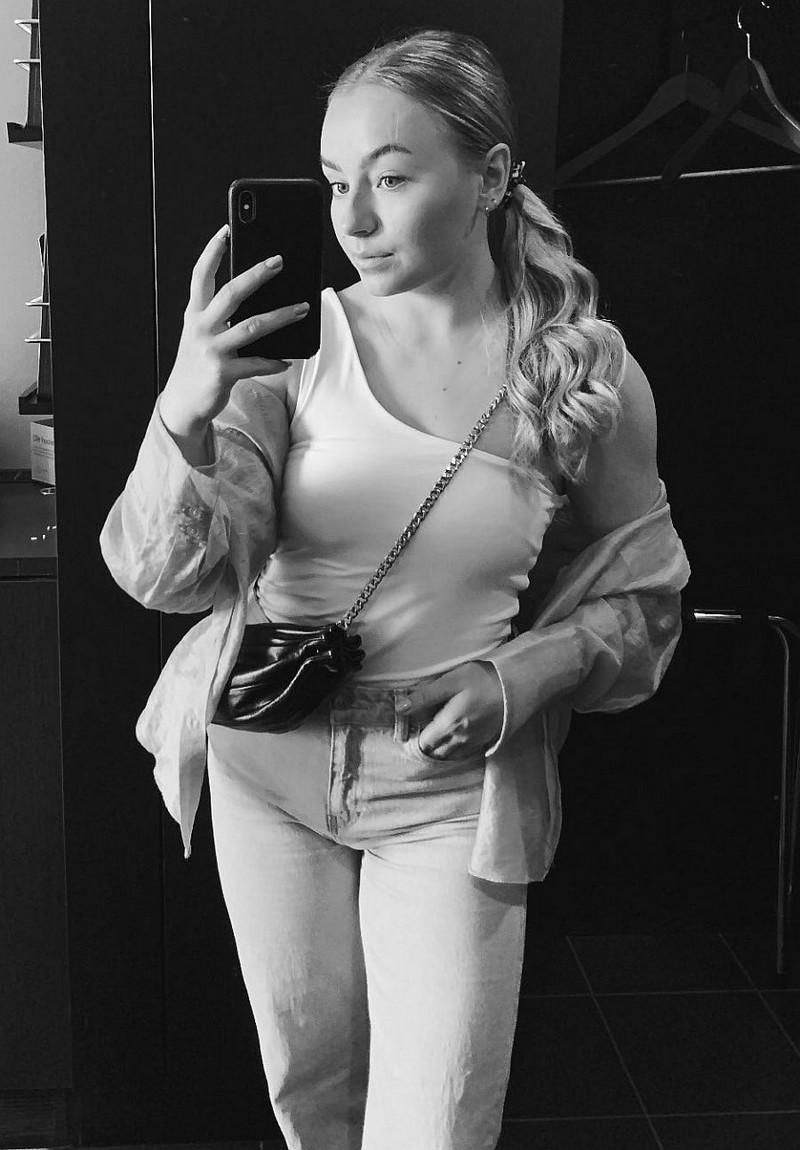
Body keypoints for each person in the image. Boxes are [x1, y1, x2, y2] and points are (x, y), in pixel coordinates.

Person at [100, 28, 690, 1150]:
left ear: (492, 176)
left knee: (435, 1125)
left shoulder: (578, 368)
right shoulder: (288, 349)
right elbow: (162, 576)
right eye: (335, 183)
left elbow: (648, 603)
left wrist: (518, 677)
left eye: (392, 178)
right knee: (311, 1101)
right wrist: (183, 410)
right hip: (266, 760)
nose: (353, 220)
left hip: (448, 781)